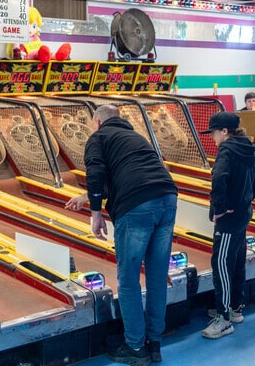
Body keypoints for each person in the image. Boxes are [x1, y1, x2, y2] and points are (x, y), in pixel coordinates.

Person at [65, 104, 178, 365]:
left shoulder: (99, 137)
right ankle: (154, 343)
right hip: (167, 198)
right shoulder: (137, 136)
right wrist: (86, 197)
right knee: (157, 278)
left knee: (128, 279)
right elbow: (127, 175)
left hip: (137, 207)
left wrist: (95, 214)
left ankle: (136, 347)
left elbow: (96, 173)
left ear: (97, 121)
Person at [200, 111, 255, 339]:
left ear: (224, 131)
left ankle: (223, 319)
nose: (212, 138)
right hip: (243, 213)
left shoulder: (227, 149)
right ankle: (234, 308)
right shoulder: (247, 148)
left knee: (221, 264)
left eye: (213, 133)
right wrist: (246, 200)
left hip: (229, 218)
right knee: (235, 261)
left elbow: (219, 178)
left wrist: (220, 208)